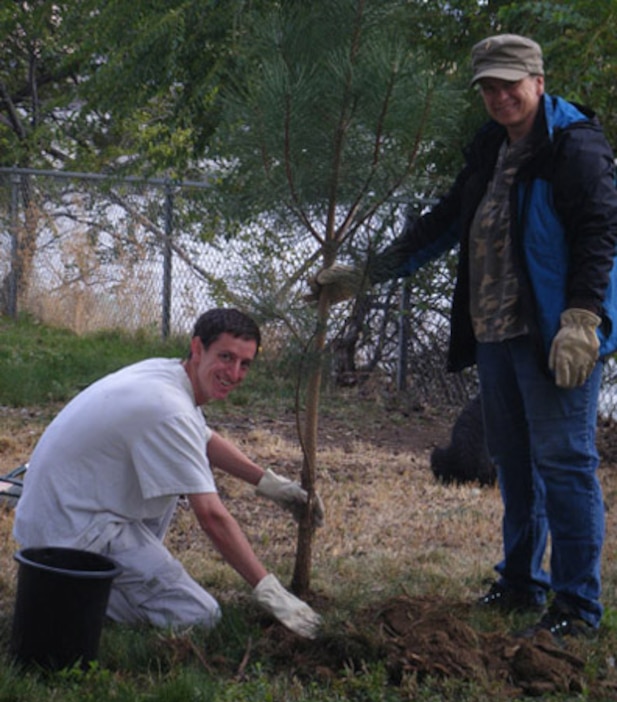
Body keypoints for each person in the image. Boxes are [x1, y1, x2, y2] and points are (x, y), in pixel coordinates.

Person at [309, 34, 617, 638]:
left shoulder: (574, 149)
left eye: (511, 83)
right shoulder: (489, 149)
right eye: (489, 87)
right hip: (497, 331)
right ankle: (521, 584)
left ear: (538, 80)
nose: (501, 96)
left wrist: (583, 319)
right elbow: (445, 222)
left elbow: (601, 238)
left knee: (565, 463)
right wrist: (366, 273)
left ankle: (577, 608)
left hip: (557, 336)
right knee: (513, 461)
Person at [13, 308, 324, 639]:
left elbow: (203, 439)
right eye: (226, 357)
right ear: (197, 348)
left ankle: (116, 579)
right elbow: (212, 517)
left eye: (244, 364)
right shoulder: (168, 408)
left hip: (66, 513)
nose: (234, 373)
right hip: (72, 537)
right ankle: (77, 596)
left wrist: (269, 484)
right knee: (200, 615)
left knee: (172, 482)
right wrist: (271, 593)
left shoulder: (168, 375)